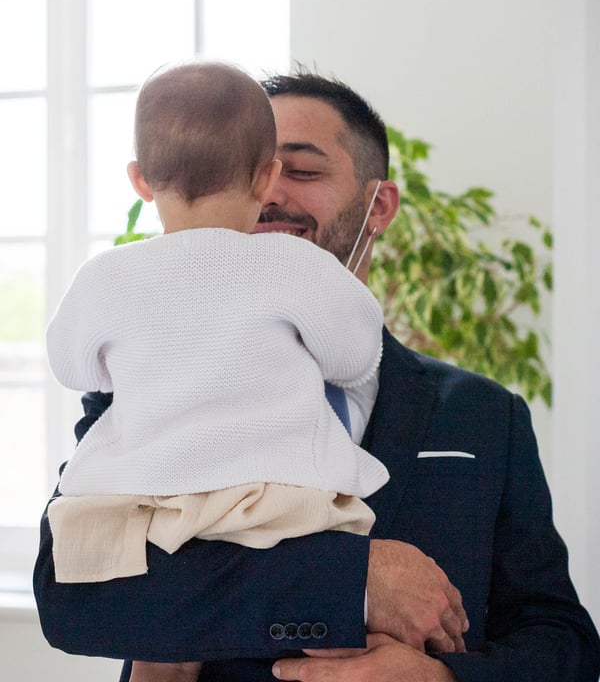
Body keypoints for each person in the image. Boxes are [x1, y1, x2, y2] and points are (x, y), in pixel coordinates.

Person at [34, 70, 600, 682]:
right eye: (255, 167)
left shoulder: (486, 415)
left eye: (300, 171)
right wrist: (352, 582)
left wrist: (440, 679)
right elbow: (75, 598)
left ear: (378, 205)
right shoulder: (135, 389)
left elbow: (561, 642)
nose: (272, 193)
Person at [41, 61, 391, 681]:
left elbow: (73, 367)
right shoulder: (291, 266)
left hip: (143, 507)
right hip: (279, 504)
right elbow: (354, 356)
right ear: (265, 176)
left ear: (141, 181)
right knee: (343, 588)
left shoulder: (105, 277)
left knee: (158, 654)